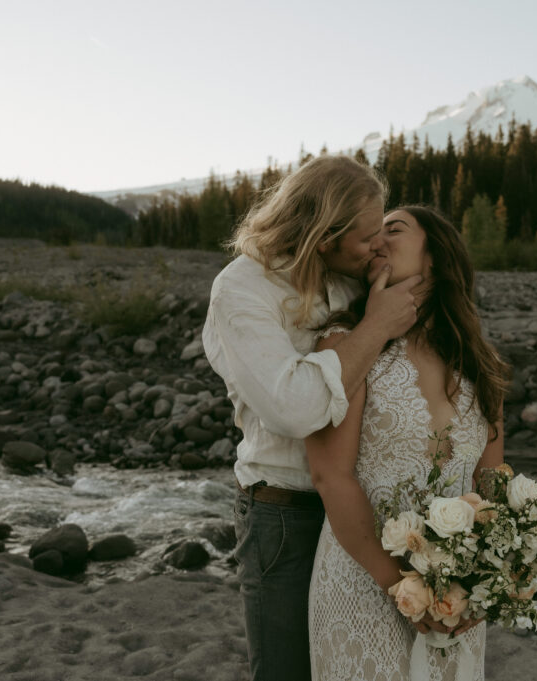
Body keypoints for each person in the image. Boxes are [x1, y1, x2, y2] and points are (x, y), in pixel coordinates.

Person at [202, 155, 423, 681]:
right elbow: (297, 408)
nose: (378, 246)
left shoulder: (350, 277)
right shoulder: (242, 291)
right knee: (287, 672)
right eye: (368, 235)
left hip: (362, 509)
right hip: (287, 514)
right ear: (323, 237)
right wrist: (376, 326)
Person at [306, 205, 510, 681]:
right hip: (362, 581)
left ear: (436, 257)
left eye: (393, 229)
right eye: (371, 233)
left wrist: (490, 579)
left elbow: (491, 478)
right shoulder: (344, 345)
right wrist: (405, 589)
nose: (377, 239)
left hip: (454, 597)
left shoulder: (480, 362)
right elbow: (329, 475)